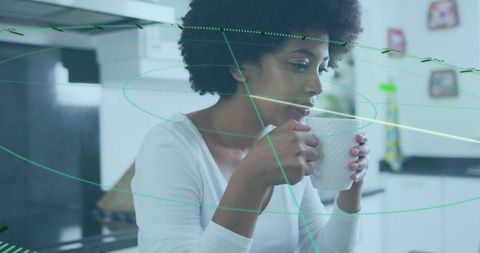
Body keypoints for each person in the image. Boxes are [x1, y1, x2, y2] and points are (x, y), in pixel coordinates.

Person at [131, 0, 369, 252]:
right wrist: (251, 179)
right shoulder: (170, 148)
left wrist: (350, 188)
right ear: (239, 66)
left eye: (321, 68)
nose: (317, 86)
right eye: (299, 65)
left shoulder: (288, 147)